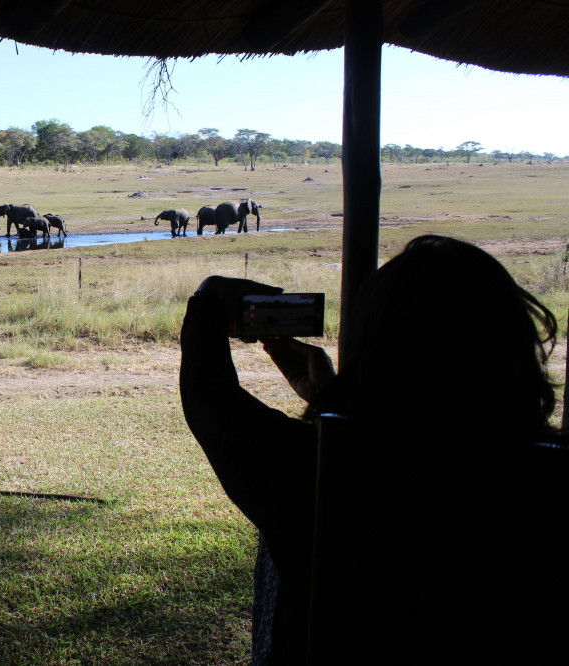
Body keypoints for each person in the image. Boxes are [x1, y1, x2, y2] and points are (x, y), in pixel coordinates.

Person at [179, 235, 564, 665]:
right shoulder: (544, 479)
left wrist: (208, 298)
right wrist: (333, 401)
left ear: (371, 354)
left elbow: (208, 397)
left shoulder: (324, 472)